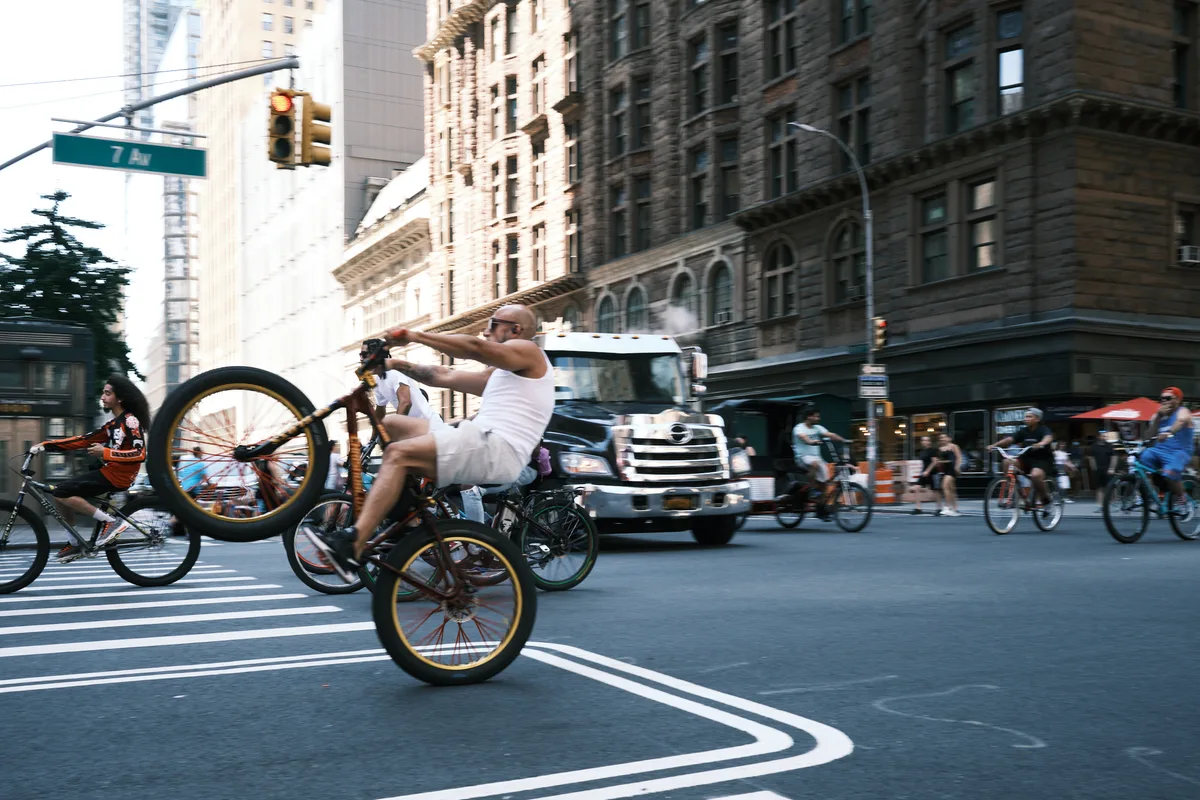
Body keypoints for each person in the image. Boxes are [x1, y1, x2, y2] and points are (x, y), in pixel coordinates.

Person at [306, 304, 555, 582]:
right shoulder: (498, 375)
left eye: (493, 324)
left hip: (495, 448)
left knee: (399, 454)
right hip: (481, 440)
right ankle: (409, 513)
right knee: (390, 426)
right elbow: (443, 376)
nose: (486, 331)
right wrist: (394, 365)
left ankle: (353, 546)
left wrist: (414, 336)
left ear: (515, 330)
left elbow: (474, 347)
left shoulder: (531, 352)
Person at [358, 338, 486, 523]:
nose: (360, 358)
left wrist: (391, 433)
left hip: (430, 429)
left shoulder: (393, 372)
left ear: (375, 355)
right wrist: (372, 439)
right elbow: (380, 411)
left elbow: (405, 401)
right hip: (415, 434)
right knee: (416, 484)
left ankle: (471, 528)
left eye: (363, 354)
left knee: (450, 483)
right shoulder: (378, 380)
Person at [31, 375, 151, 562]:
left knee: (62, 491)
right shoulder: (112, 424)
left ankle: (109, 522)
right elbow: (83, 440)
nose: (102, 397)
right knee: (60, 495)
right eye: (103, 393)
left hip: (119, 476)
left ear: (119, 398)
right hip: (109, 472)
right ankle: (74, 542)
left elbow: (140, 454)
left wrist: (106, 453)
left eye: (107, 393)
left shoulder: (130, 421)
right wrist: (46, 445)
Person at [989, 409, 1055, 510]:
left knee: (1035, 475)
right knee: (1007, 462)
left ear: (1037, 419)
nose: (1026, 419)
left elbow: (1048, 437)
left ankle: (1045, 500)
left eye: (1029, 417)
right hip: (1026, 460)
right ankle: (1015, 494)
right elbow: (1010, 439)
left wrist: (1041, 444)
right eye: (1026, 417)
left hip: (1042, 461)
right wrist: (994, 445)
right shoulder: (1023, 431)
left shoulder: (1043, 429)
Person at [1142, 387, 1194, 513]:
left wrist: (1169, 432)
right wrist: (1158, 417)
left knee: (1170, 473)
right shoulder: (1158, 415)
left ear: (1177, 399)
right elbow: (1148, 436)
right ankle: (1146, 496)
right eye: (1162, 398)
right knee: (1141, 460)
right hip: (1159, 451)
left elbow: (1181, 421)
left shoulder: (1183, 411)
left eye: (1168, 398)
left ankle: (1184, 502)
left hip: (1180, 451)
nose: (1164, 401)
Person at [791, 406, 846, 521]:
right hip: (802, 457)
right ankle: (812, 489)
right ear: (808, 417)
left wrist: (844, 440)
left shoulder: (818, 428)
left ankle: (820, 509)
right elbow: (803, 437)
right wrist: (811, 441)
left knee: (825, 484)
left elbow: (830, 434)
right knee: (815, 463)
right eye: (816, 416)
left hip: (817, 458)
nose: (818, 418)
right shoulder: (799, 428)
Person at [910, 435, 941, 516]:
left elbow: (934, 462)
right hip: (924, 473)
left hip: (933, 473)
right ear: (921, 442)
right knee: (916, 488)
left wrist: (928, 471)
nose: (925, 442)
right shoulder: (923, 451)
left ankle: (939, 508)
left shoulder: (932, 450)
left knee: (935, 491)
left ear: (929, 442)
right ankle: (918, 508)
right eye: (923, 440)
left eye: (927, 440)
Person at [935, 432, 963, 516]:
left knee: (945, 486)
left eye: (944, 437)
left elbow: (959, 457)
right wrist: (939, 463)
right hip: (944, 469)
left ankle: (947, 507)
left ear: (948, 438)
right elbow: (939, 460)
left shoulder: (954, 446)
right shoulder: (940, 448)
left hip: (952, 468)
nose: (942, 439)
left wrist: (958, 467)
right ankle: (955, 509)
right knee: (952, 489)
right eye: (941, 438)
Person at [1088, 434, 1113, 513]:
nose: (1104, 438)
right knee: (1099, 488)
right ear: (1098, 437)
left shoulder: (1109, 446)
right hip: (1098, 470)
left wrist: (1112, 468)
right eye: (1102, 436)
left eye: (1105, 436)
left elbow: (1114, 457)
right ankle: (1100, 506)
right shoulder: (1094, 446)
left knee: (1108, 488)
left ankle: (1109, 505)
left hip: (1107, 469)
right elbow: (1091, 457)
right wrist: (1093, 467)